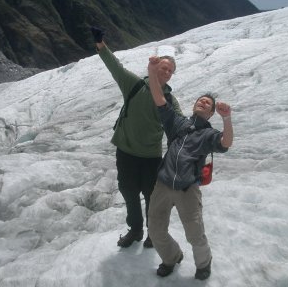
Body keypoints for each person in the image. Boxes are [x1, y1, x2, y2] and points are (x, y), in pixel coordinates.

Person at [90, 26, 182, 248]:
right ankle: (136, 229)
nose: (167, 72)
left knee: (152, 196)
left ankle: (153, 232)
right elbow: (116, 68)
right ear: (155, 67)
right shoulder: (135, 85)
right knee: (128, 191)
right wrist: (100, 45)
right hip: (126, 150)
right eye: (164, 67)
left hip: (151, 155)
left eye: (170, 71)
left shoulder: (170, 101)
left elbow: (180, 125)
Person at [147, 57, 233, 280]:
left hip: (188, 189)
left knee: (195, 234)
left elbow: (225, 143)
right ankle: (172, 256)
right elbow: (159, 99)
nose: (203, 103)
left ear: (212, 112)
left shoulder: (209, 134)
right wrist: (151, 71)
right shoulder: (178, 123)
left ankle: (204, 263)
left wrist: (227, 119)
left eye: (208, 104)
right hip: (163, 185)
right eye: (200, 101)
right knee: (156, 230)